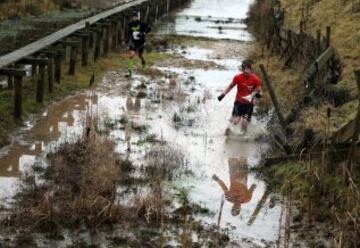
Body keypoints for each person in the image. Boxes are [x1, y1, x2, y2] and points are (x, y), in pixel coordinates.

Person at [218, 60, 261, 134]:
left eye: (248, 70)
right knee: (235, 121)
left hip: (249, 104)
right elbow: (230, 86)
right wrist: (223, 94)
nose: (246, 72)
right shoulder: (237, 77)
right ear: (242, 70)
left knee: (244, 122)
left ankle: (243, 136)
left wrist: (257, 94)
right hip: (238, 103)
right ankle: (228, 131)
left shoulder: (255, 79)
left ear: (251, 70)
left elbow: (258, 89)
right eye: (245, 70)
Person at [126, 11, 151, 78]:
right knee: (131, 55)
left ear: (137, 17)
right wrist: (127, 41)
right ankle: (129, 71)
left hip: (141, 42)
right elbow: (129, 33)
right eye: (133, 17)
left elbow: (149, 28)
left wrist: (143, 33)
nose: (134, 18)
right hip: (133, 42)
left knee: (139, 55)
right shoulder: (130, 24)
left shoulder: (142, 23)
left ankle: (143, 62)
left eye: (135, 17)